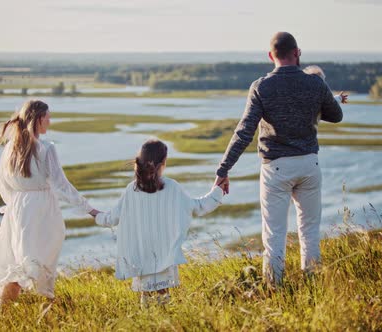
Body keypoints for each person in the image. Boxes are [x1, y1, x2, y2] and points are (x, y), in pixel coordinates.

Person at [214, 32, 343, 285]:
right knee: (310, 231)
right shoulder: (315, 84)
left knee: (274, 235)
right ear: (298, 53)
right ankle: (313, 284)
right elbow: (336, 115)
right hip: (309, 163)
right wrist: (312, 106)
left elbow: (244, 132)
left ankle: (275, 288)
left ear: (271, 56)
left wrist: (223, 170)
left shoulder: (261, 87)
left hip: (276, 168)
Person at [0, 99, 98, 310]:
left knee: (19, 265)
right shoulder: (46, 148)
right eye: (47, 117)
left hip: (17, 211)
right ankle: (47, 312)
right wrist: (89, 209)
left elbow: (3, 184)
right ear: (38, 119)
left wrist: (14, 207)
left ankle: (6, 318)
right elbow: (61, 185)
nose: (50, 121)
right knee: (38, 263)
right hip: (41, 212)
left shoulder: (9, 148)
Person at [94, 139, 224, 307]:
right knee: (164, 297)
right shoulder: (172, 187)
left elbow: (111, 219)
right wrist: (218, 190)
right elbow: (198, 207)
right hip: (165, 254)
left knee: (146, 297)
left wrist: (93, 213)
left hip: (141, 254)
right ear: (163, 162)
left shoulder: (131, 190)